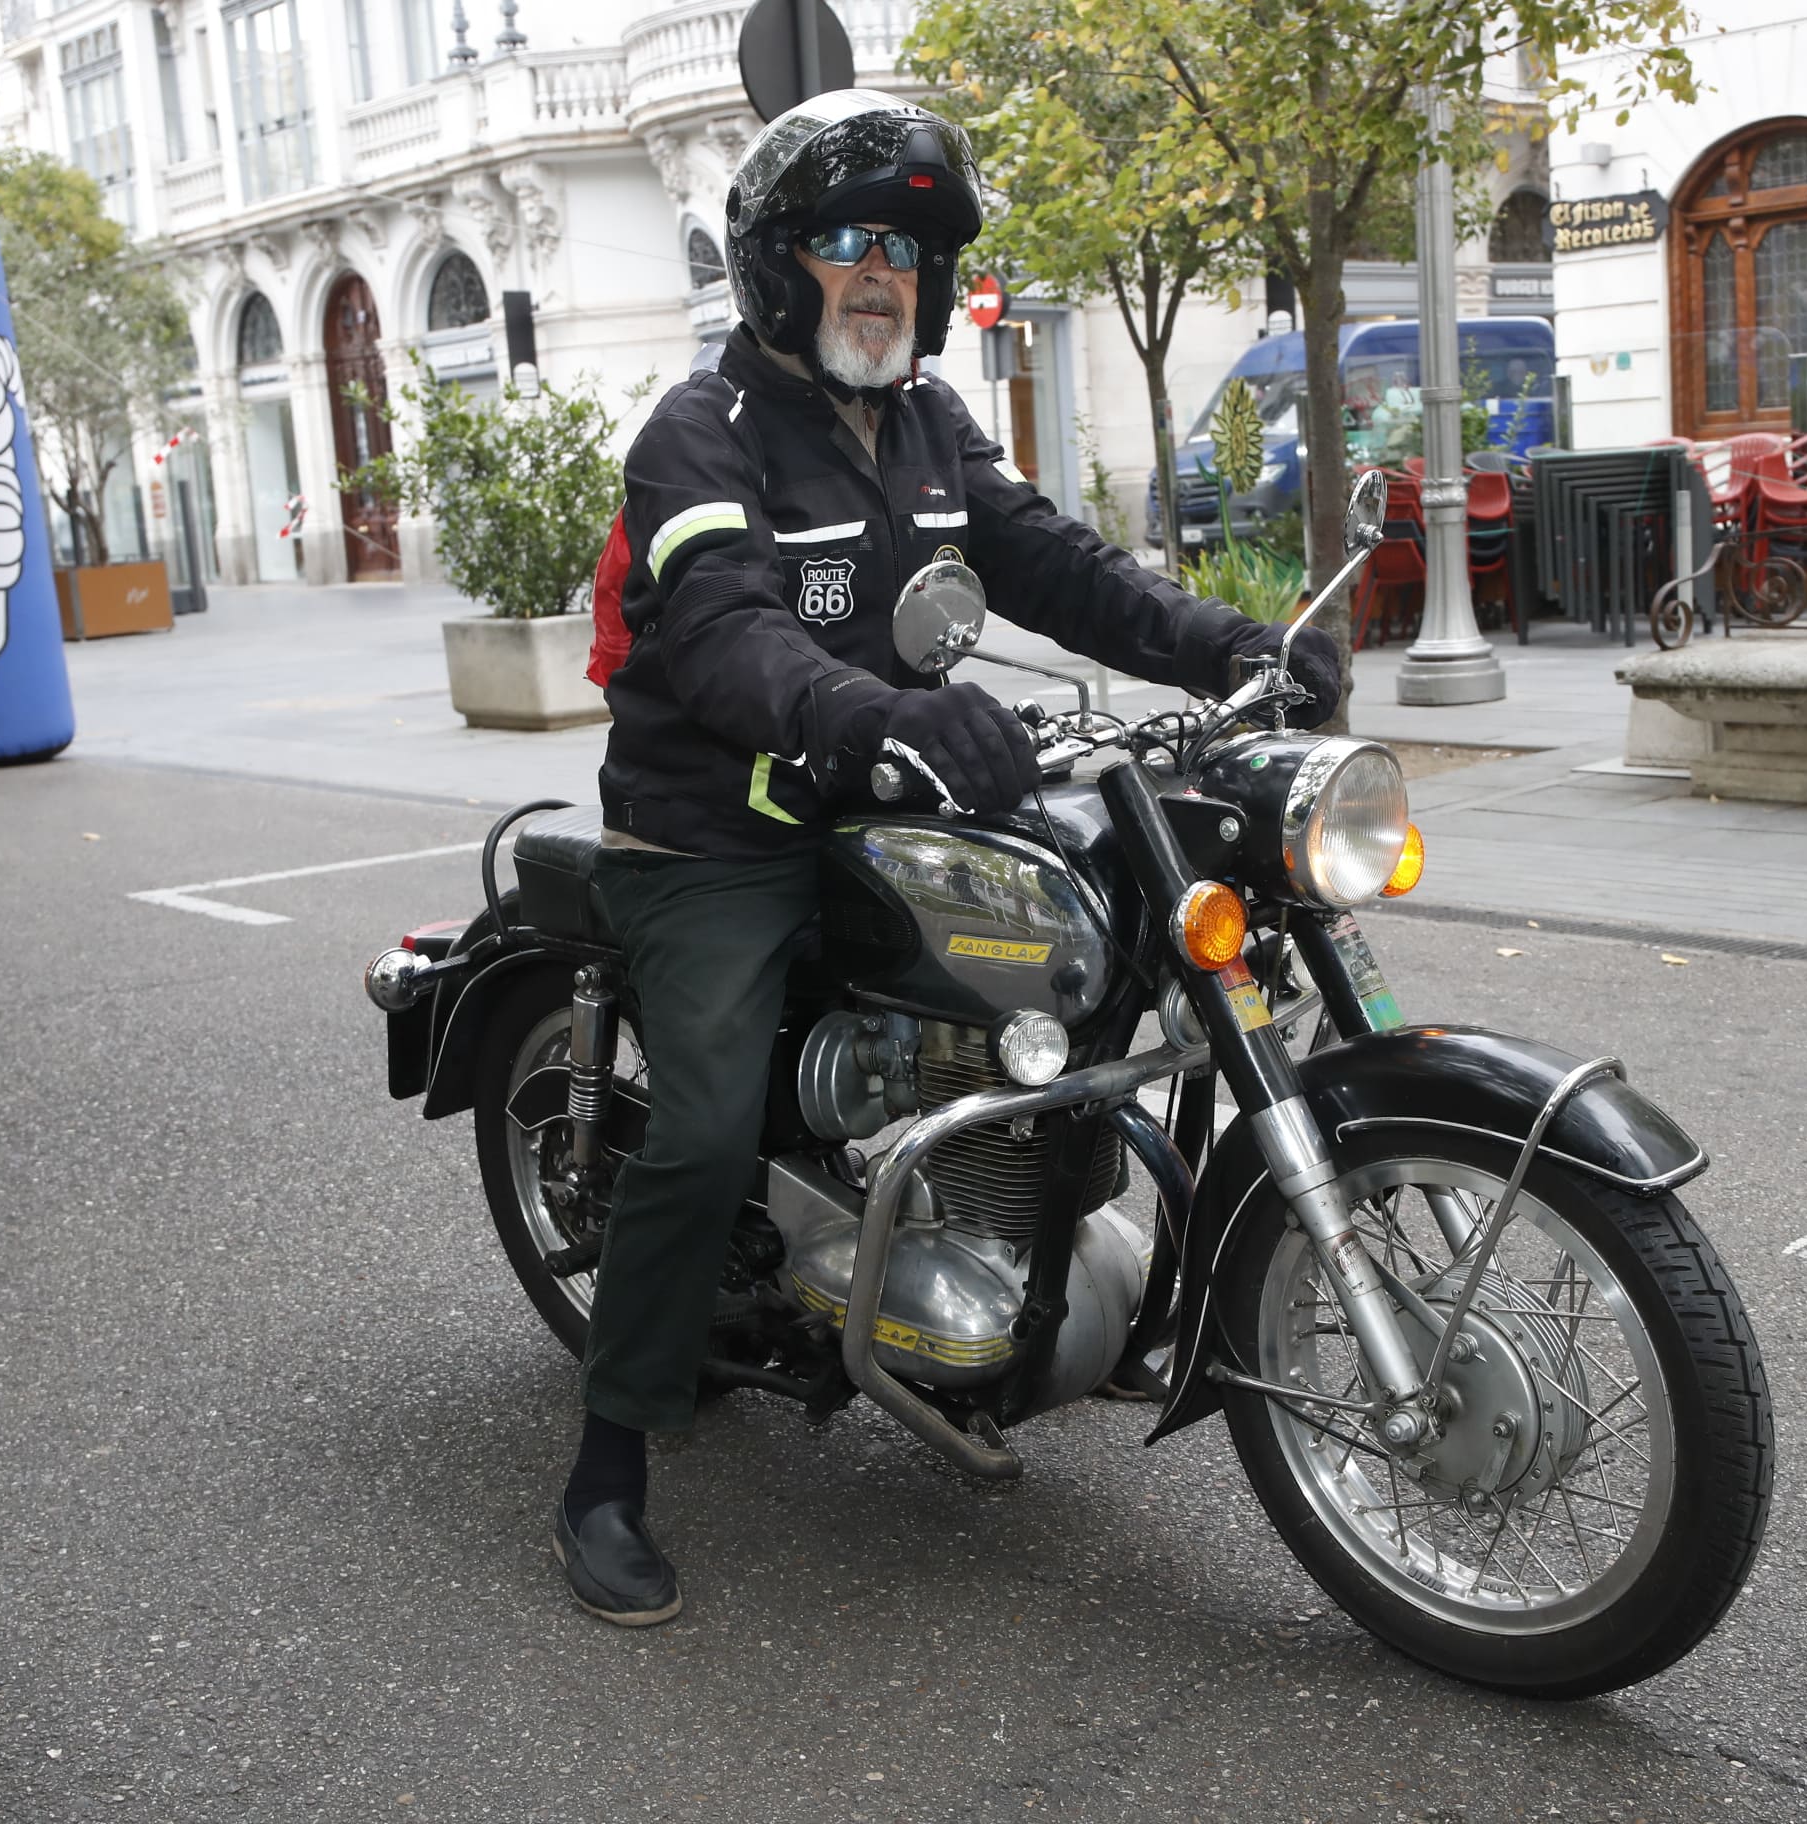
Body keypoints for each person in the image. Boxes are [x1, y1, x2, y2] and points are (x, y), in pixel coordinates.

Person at [556, 89, 1342, 1628]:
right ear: (777, 264)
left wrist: (1221, 644)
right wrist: (886, 715)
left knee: (1079, 960)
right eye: (852, 240)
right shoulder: (698, 436)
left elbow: (1054, 559)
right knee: (708, 1124)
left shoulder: (923, 425)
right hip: (720, 830)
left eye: (911, 250)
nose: (884, 273)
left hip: (885, 799)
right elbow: (724, 637)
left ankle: (1005, 1257)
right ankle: (604, 1467)